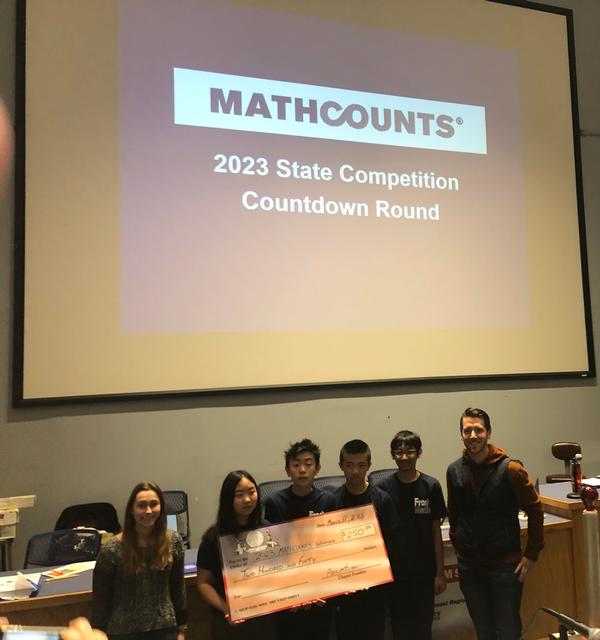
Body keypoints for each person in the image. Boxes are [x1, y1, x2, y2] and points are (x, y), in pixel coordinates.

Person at [446, 407, 544, 640]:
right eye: (467, 430)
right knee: (484, 631)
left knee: (509, 630)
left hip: (504, 567)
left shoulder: (511, 469)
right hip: (470, 567)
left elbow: (535, 509)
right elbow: (454, 511)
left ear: (488, 433)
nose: (472, 436)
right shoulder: (454, 470)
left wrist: (531, 554)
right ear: (461, 434)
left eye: (478, 430)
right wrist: (458, 543)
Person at [91, 482, 187, 640]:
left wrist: (182, 628)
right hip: (123, 632)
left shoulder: (174, 541)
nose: (148, 511)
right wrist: (97, 633)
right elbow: (101, 601)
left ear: (161, 507)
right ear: (132, 510)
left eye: (154, 504)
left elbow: (178, 588)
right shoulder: (112, 549)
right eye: (142, 505)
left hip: (165, 628)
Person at [263, 438, 336, 640]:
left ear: (317, 468)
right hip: (287, 592)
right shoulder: (274, 502)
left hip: (319, 592)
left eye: (308, 464)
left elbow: (332, 547)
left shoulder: (329, 500)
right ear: (287, 470)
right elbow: (272, 552)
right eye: (296, 465)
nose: (302, 470)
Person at [377, 430, 447, 640]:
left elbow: (436, 532)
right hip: (395, 574)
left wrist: (440, 573)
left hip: (424, 573)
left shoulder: (431, 486)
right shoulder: (382, 489)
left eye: (410, 452)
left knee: (423, 627)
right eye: (399, 452)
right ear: (392, 455)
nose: (404, 457)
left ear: (419, 453)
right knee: (399, 627)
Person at [196, 470, 276, 640]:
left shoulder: (269, 530)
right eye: (239, 495)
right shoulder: (213, 537)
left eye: (251, 492)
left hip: (265, 619)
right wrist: (226, 609)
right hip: (229, 622)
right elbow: (203, 582)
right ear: (227, 500)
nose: (247, 500)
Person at [332, 439, 399, 640]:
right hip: (344, 590)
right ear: (341, 466)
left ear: (369, 466)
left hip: (375, 590)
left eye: (361, 465)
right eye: (349, 465)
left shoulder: (382, 500)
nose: (355, 471)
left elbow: (393, 545)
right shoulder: (333, 501)